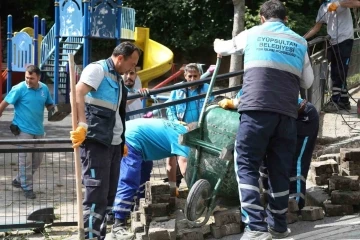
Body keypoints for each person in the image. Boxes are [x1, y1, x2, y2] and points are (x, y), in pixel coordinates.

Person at [214, 0, 314, 239]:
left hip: (256, 112)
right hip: (287, 115)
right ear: (286, 19)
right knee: (279, 168)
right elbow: (308, 82)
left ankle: (256, 228)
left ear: (261, 17)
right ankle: (278, 226)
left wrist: (217, 45)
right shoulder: (300, 41)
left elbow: (225, 47)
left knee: (246, 163)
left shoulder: (252, 33)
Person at [70, 42, 140, 240]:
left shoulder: (117, 79)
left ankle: (100, 236)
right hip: (96, 143)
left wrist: (121, 140)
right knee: (96, 196)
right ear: (120, 58)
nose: (132, 68)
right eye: (132, 63)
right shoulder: (97, 69)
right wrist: (82, 124)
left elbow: (116, 112)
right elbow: (77, 92)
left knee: (108, 195)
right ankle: (91, 238)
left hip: (113, 144)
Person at [219, 92, 320, 211]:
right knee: (266, 159)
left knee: (296, 161)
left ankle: (295, 205)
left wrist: (234, 103)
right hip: (281, 117)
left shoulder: (255, 90)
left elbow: (248, 100)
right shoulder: (246, 91)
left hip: (303, 116)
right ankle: (270, 202)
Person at [112, 118, 195, 239]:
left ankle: (139, 208)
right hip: (132, 138)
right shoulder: (183, 137)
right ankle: (119, 223)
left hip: (136, 137)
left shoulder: (177, 129)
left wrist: (173, 189)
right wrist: (194, 191)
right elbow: (183, 166)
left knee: (145, 171)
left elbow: (171, 165)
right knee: (129, 179)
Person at [0, 65, 54, 199]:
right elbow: (3, 104)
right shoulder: (19, 88)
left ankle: (19, 179)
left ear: (39, 77)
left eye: (32, 78)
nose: (28, 80)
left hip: (39, 129)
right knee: (26, 161)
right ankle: (27, 187)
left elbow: (49, 104)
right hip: (23, 130)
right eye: (27, 77)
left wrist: (57, 110)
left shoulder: (44, 89)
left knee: (37, 160)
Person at [165, 63, 214, 192]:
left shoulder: (206, 88)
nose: (192, 79)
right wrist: (176, 122)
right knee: (175, 158)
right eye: (190, 76)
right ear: (185, 76)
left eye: (195, 76)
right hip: (180, 128)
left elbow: (212, 106)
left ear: (199, 76)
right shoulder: (177, 89)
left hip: (199, 128)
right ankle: (174, 188)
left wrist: (200, 124)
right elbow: (170, 108)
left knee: (195, 159)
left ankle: (194, 188)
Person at [304, 0, 360, 112]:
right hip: (333, 42)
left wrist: (339, 4)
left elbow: (357, 3)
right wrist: (302, 38)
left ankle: (335, 101)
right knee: (338, 70)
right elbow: (316, 27)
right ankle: (344, 101)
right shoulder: (322, 8)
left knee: (339, 70)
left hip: (345, 39)